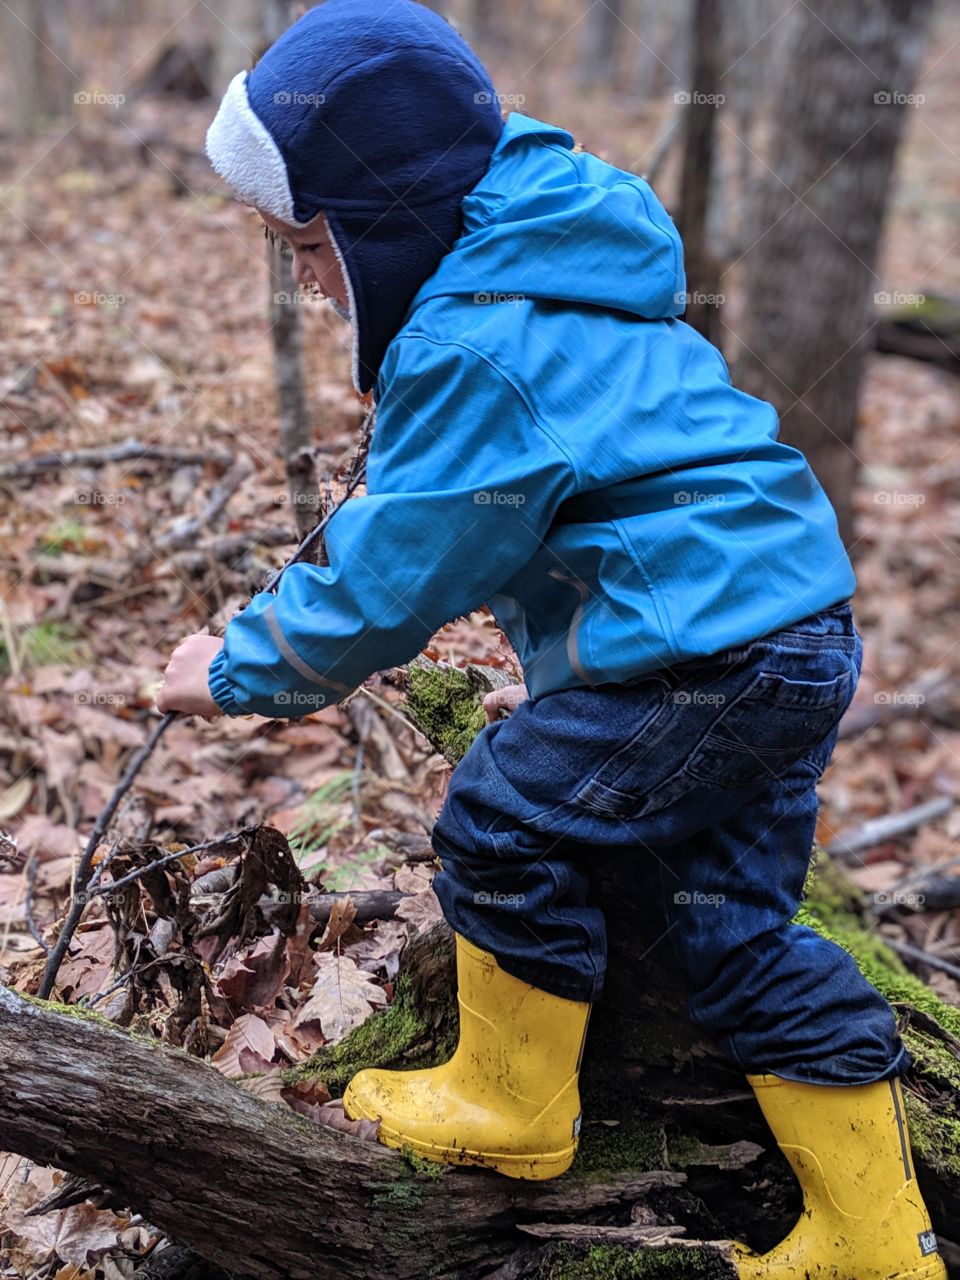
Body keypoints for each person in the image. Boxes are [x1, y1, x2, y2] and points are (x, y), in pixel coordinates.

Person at [157, 1, 945, 1275]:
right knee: (734, 934)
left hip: (712, 657)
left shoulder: (478, 340)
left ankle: (515, 1103)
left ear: (383, 221)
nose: (298, 276)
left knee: (504, 815)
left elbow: (398, 568)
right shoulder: (546, 251)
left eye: (305, 242)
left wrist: (241, 666)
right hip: (782, 628)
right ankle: (873, 1237)